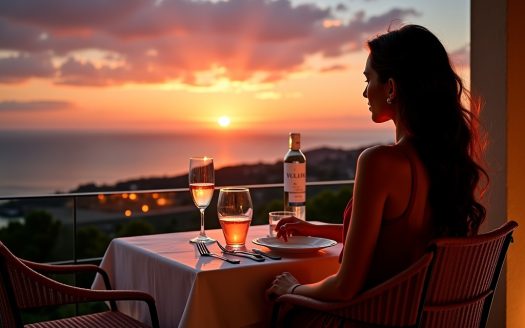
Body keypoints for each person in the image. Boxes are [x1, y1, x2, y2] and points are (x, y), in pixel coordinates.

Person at [266, 24, 488, 321]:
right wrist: (316, 230)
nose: (364, 91)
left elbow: (344, 288)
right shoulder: (446, 163)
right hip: (416, 318)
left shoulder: (379, 162)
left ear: (392, 88)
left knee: (263, 303)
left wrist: (294, 288)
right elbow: (394, 237)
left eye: (369, 78)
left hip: (369, 318)